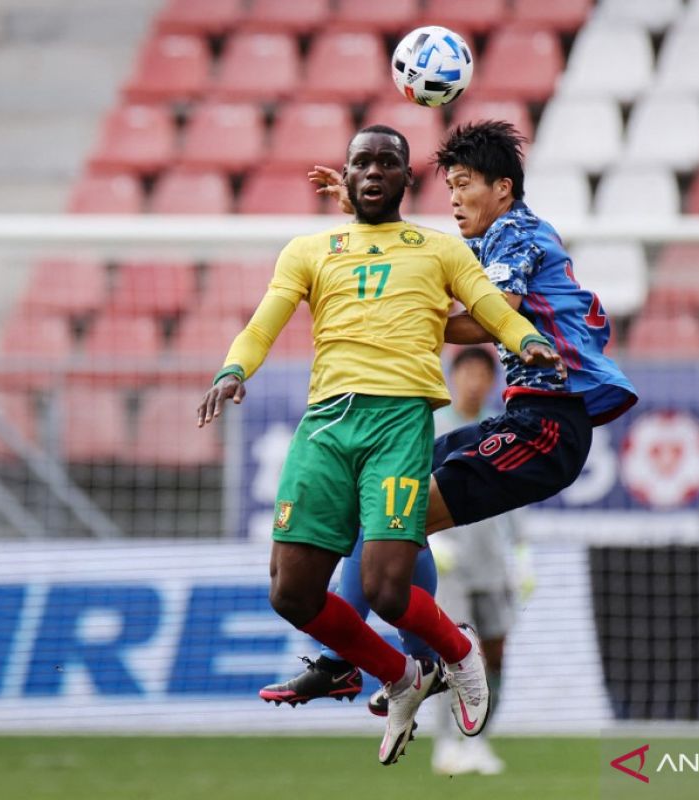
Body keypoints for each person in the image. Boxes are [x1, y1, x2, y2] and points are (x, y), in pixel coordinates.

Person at [197, 124, 564, 765]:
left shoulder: (438, 249)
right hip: (325, 427)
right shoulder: (309, 250)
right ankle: (397, 675)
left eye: (386, 162)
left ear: (405, 178)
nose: (372, 172)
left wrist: (523, 337)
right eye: (361, 162)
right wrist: (233, 370)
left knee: (388, 588)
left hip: (398, 424)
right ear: (348, 173)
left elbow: (489, 303)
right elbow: (264, 321)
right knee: (290, 593)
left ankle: (456, 651)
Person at [263, 120, 639, 719]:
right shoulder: (497, 242)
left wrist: (381, 315)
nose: (455, 199)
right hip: (521, 417)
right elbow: (410, 261)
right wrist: (364, 227)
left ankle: (407, 660)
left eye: (464, 184)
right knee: (384, 506)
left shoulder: (515, 235)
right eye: (450, 187)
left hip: (549, 427)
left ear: (504, 191)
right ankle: (371, 660)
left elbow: (492, 315)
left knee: (400, 518)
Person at [426, 347, 528, 776]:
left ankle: (480, 740)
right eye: (465, 371)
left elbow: (516, 495)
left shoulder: (501, 429)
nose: (474, 380)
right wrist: (427, 543)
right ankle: (447, 744)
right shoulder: (431, 427)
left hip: (493, 562)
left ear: (492, 381)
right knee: (460, 657)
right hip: (451, 565)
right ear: (453, 376)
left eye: (482, 373)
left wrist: (522, 554)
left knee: (497, 657)